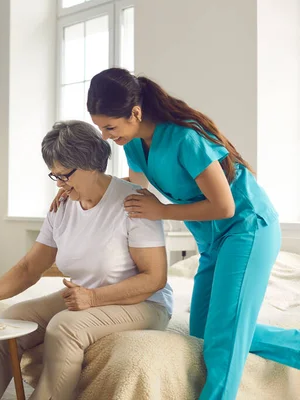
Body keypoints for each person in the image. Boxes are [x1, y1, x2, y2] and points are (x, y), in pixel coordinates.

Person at [51, 67, 300, 400]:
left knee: (223, 340)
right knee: (204, 331)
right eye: (101, 128)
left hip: (247, 229)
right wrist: (76, 185)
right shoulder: (135, 145)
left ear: (135, 113)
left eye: (110, 127)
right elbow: (129, 192)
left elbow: (225, 207)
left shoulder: (186, 138)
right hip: (212, 240)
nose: (107, 137)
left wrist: (164, 211)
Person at [0, 120, 173, 400]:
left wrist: (93, 299)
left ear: (92, 165)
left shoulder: (133, 203)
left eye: (65, 175)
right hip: (87, 294)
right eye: (54, 175)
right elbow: (30, 267)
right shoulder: (63, 204)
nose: (59, 183)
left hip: (143, 302)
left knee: (65, 326)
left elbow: (154, 279)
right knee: (11, 320)